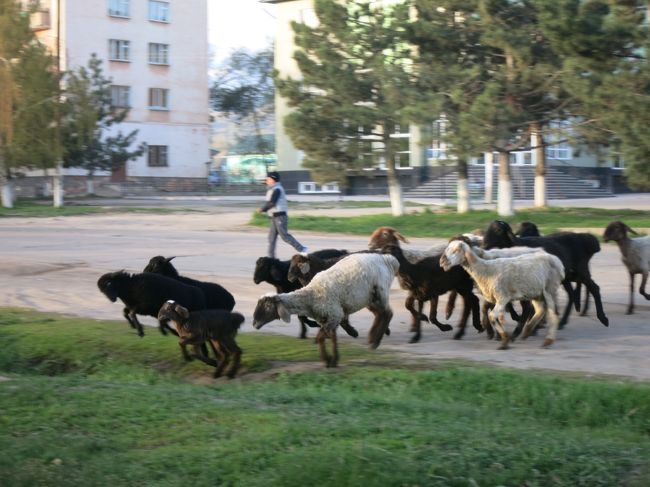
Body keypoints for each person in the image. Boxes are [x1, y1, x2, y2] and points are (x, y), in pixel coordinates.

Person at [258, 171, 308, 258]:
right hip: (274, 217)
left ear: (273, 180)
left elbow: (272, 203)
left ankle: (302, 249)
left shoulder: (277, 189)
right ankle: (271, 258)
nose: (267, 180)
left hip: (280, 216)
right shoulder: (272, 188)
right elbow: (267, 186)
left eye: (268, 179)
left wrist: (263, 209)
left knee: (284, 236)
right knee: (271, 238)